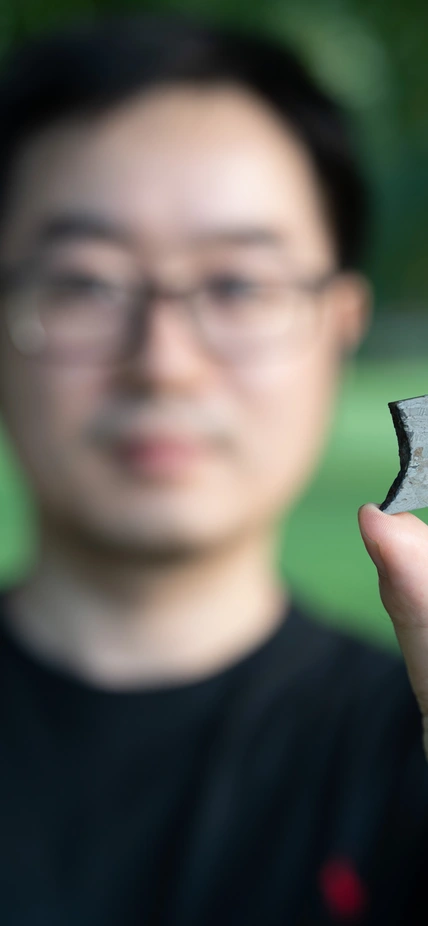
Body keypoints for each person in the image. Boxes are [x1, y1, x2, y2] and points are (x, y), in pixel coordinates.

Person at [0, 12, 427, 926]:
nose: (164, 361)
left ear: (340, 329)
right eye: (84, 281)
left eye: (238, 285)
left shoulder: (412, 749)